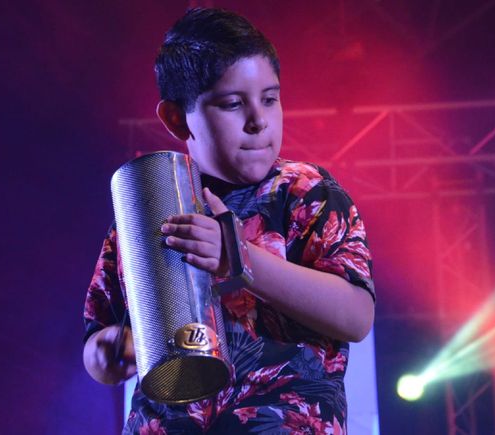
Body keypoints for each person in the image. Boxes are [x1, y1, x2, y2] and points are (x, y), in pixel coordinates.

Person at [83, 8, 375, 434]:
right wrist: (106, 354)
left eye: (270, 99)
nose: (258, 121)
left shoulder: (305, 192)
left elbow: (356, 316)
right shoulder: (147, 210)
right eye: (233, 104)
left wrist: (237, 256)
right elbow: (100, 336)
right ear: (176, 118)